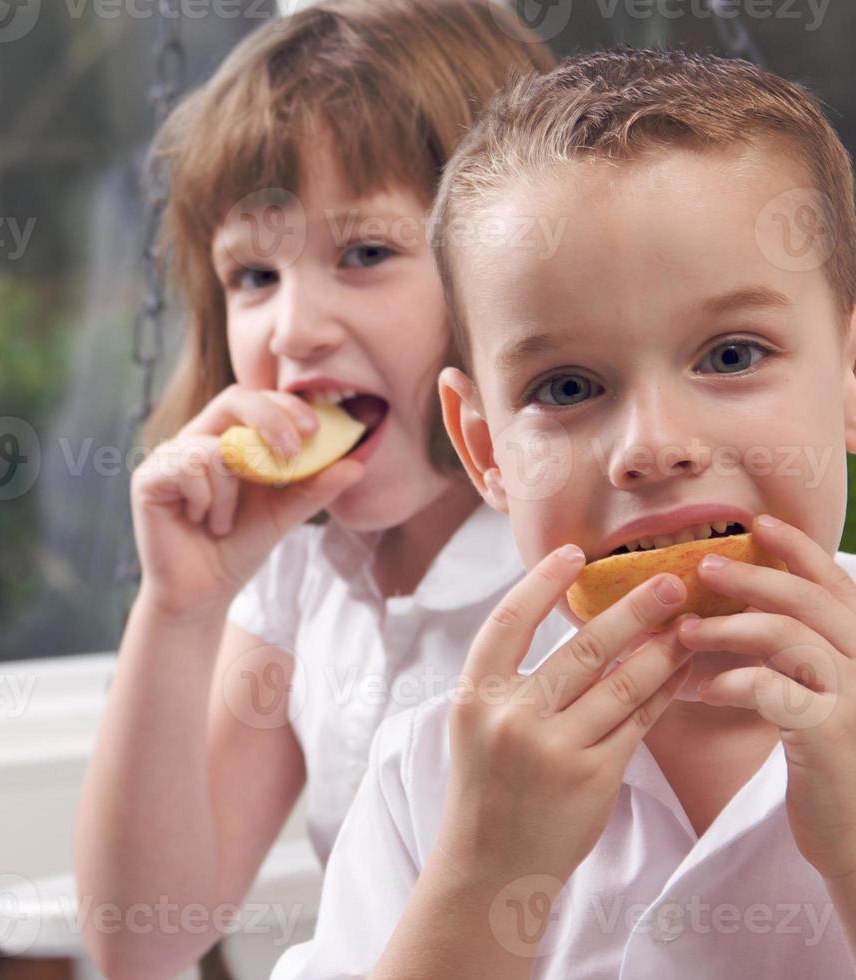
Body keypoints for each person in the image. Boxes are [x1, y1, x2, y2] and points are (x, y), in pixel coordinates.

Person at [271, 47, 856, 979]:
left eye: (730, 356)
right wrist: (484, 882)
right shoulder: (434, 785)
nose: (652, 445)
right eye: (567, 385)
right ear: (486, 450)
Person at [72, 3, 572, 977]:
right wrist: (178, 607)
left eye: (364, 253)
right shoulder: (300, 572)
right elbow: (142, 934)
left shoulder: (576, 565)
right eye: (252, 273)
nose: (293, 328)